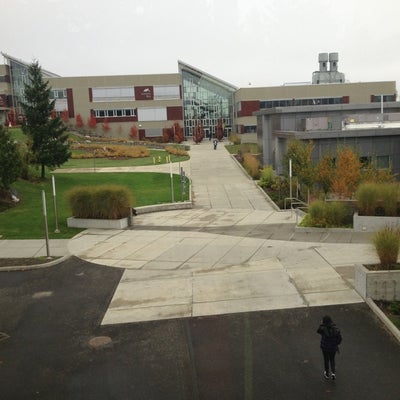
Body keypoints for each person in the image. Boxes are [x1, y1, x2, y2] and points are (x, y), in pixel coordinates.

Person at [317, 315, 342, 380]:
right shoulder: (336, 329)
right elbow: (339, 339)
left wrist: (322, 324)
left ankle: (327, 374)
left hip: (325, 348)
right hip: (333, 347)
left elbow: (318, 331)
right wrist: (336, 343)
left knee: (326, 360)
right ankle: (333, 373)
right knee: (332, 359)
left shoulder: (322, 329)